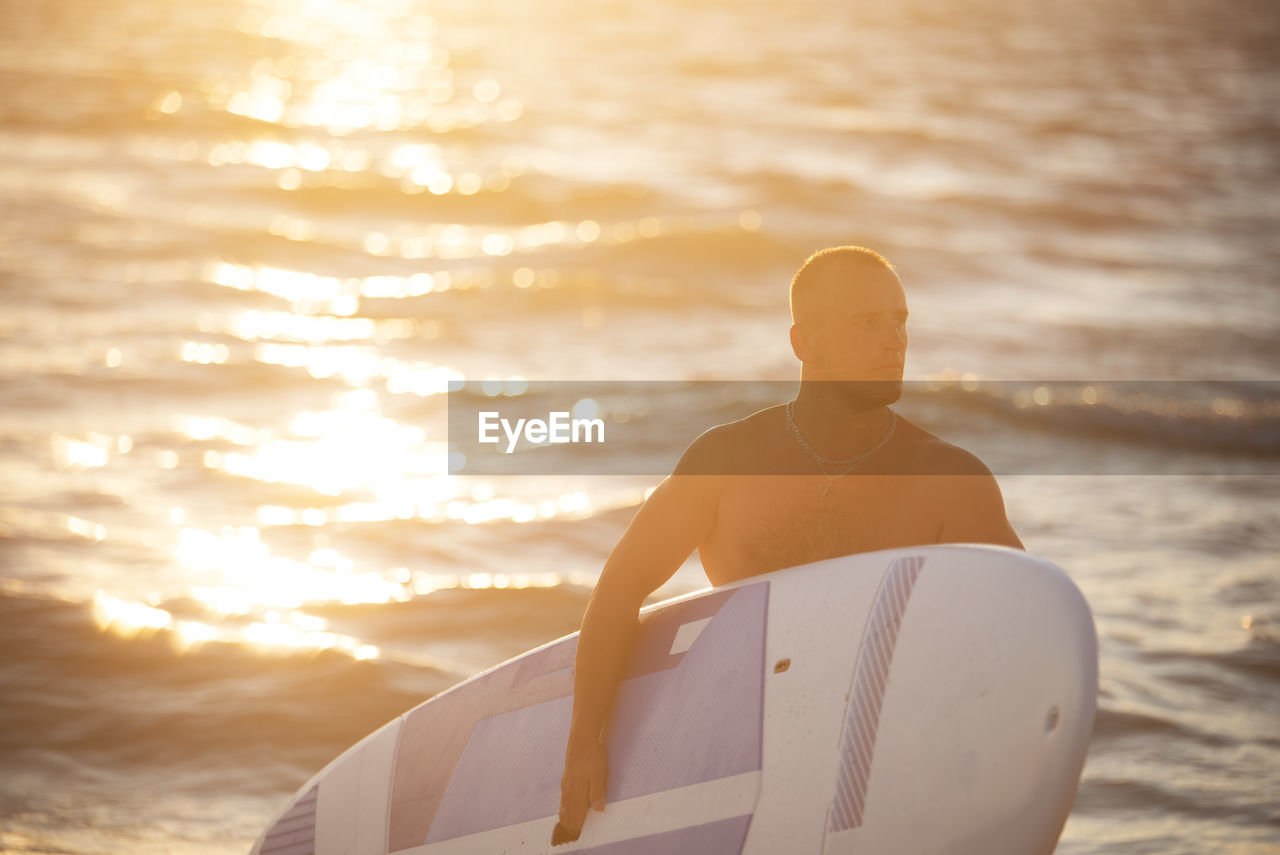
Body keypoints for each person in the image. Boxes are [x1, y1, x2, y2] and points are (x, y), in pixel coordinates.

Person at [552, 245, 1023, 844]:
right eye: (867, 322)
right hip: (739, 756)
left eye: (900, 321)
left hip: (877, 765)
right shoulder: (726, 461)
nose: (894, 341)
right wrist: (585, 743)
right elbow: (620, 588)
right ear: (803, 343)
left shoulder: (948, 481)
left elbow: (1015, 623)